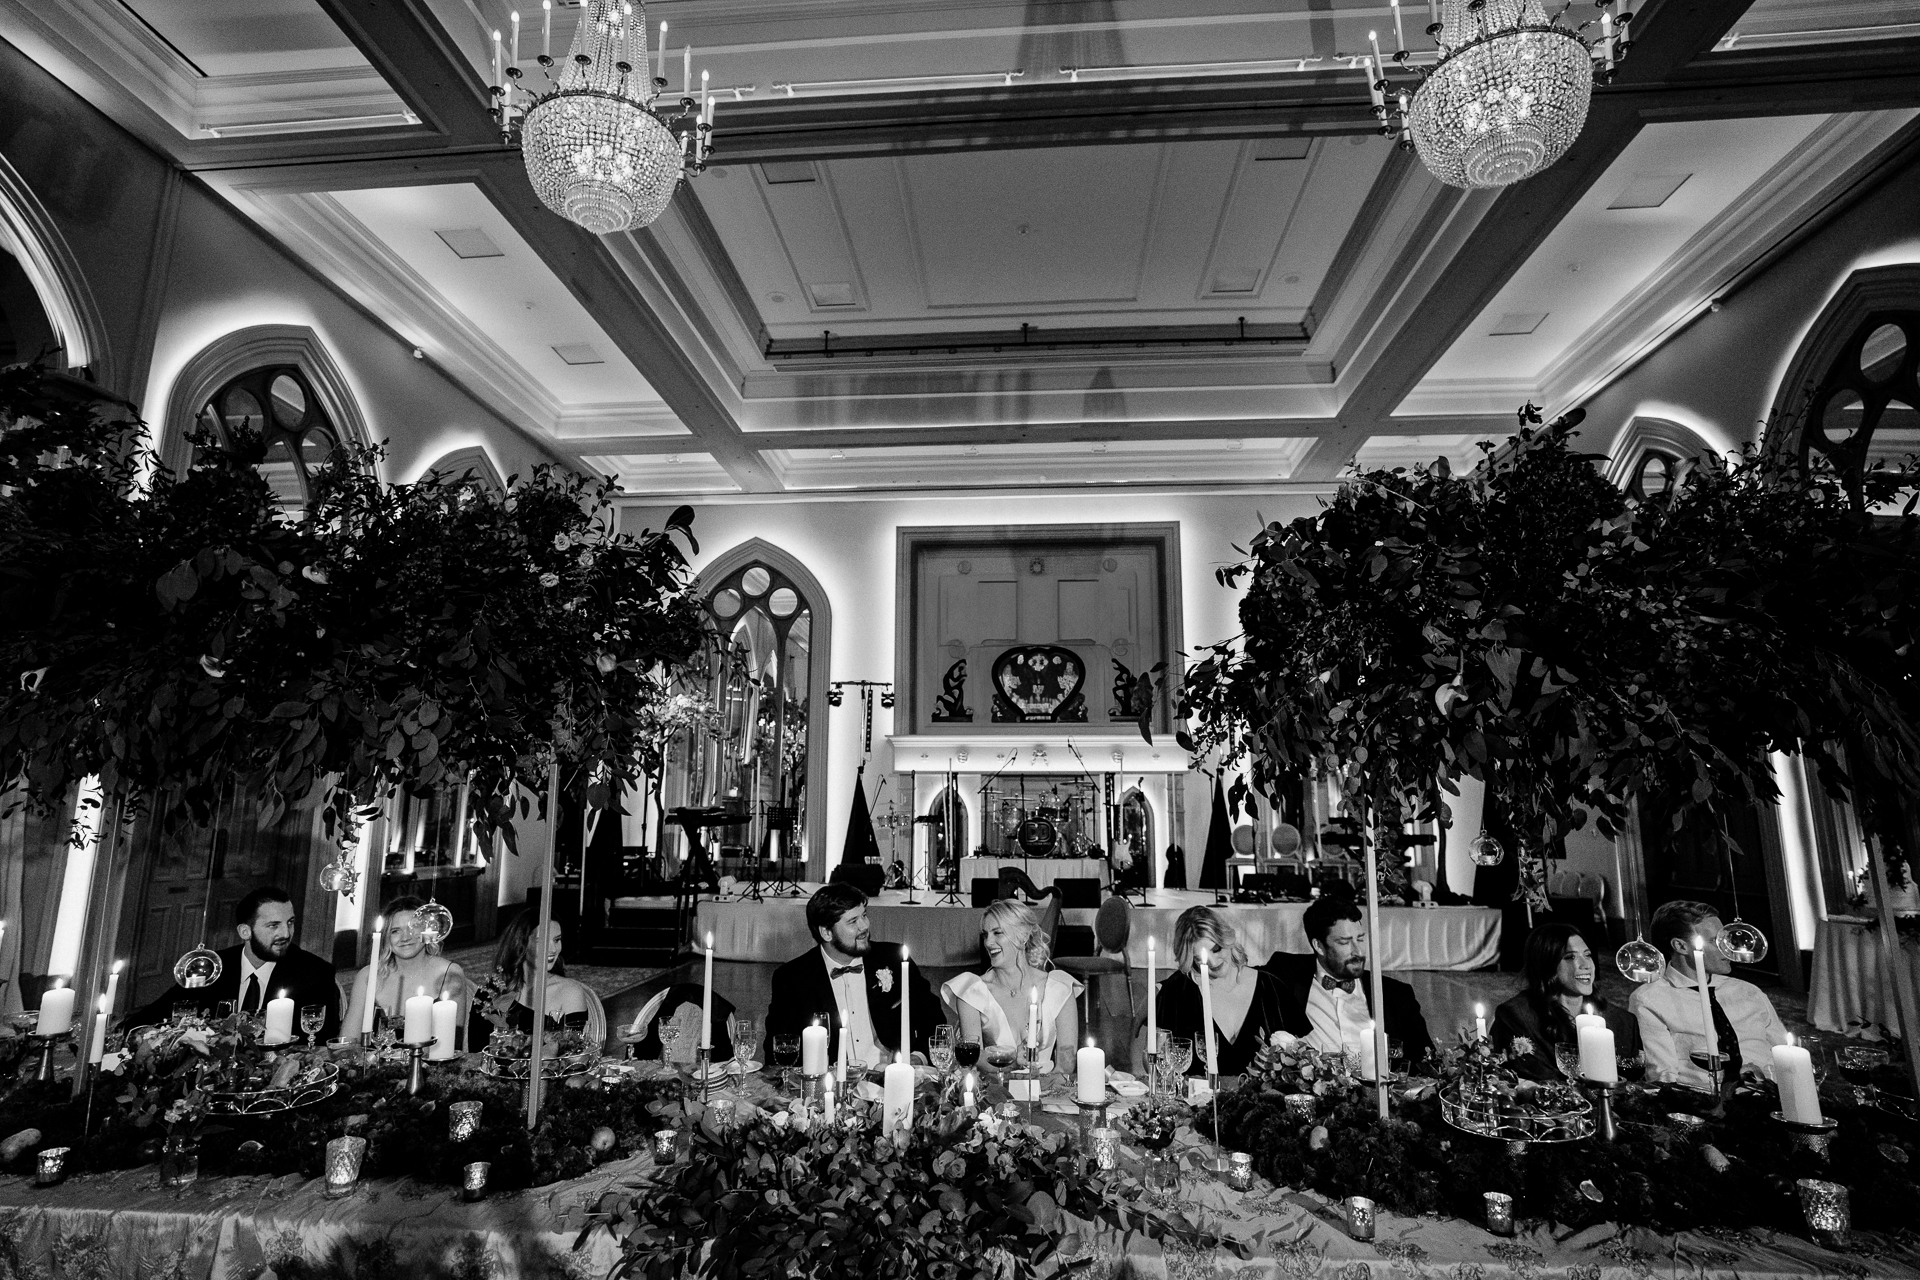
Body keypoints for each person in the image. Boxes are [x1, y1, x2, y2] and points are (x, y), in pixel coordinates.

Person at [762, 881, 938, 1070]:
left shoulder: (895, 960)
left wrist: (917, 1057)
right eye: (853, 921)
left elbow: (933, 1020)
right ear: (826, 932)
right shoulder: (792, 979)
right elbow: (777, 1049)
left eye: (864, 915)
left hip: (892, 1079)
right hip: (832, 1087)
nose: (864, 926)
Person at [125, 886, 340, 1040]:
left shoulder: (315, 974)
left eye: (290, 923)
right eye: (273, 925)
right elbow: (154, 1017)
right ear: (245, 931)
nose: (286, 933)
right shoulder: (211, 968)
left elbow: (322, 1043)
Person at [1262, 888, 1436, 1070]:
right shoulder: (1285, 975)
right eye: (1344, 942)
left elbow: (1426, 1061)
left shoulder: (1395, 994)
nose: (1358, 951)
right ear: (1319, 946)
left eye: (1360, 939)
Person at [1630, 899, 1789, 1089]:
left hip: (1770, 1096)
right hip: (1702, 1101)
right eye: (1715, 941)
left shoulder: (1749, 992)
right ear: (1681, 947)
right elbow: (1662, 1074)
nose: (1727, 948)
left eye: (1726, 939)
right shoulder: (1650, 1000)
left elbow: (1786, 1055)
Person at [1142, 906, 1293, 1077]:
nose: (1213, 963)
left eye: (1216, 949)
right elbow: (1153, 1059)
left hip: (1262, 1101)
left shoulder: (1270, 987)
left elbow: (1299, 1057)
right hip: (1196, 1100)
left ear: (1228, 940)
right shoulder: (1177, 991)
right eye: (1200, 958)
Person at [940, 899, 1082, 1075]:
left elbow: (1065, 1065)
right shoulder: (972, 991)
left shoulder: (1059, 989)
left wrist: (1042, 1092)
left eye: (997, 933)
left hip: (1047, 1089)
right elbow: (974, 1058)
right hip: (996, 1092)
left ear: (1023, 936)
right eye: (985, 935)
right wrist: (1013, 1063)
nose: (988, 943)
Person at [1492, 923, 1640, 1081]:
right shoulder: (1518, 1016)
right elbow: (1535, 1081)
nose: (1586, 965)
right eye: (1571, 957)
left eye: (1588, 955)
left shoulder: (1623, 1021)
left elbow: (1634, 1081)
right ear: (1547, 964)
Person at [341, 895, 470, 1046]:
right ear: (385, 937)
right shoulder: (368, 976)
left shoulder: (448, 973)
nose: (405, 938)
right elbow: (348, 1041)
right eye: (395, 931)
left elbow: (452, 1045)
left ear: (427, 931)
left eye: (413, 928)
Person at [469, 913, 606, 1052]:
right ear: (521, 944)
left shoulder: (570, 992)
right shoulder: (489, 993)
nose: (553, 949)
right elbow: (476, 1055)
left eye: (557, 940)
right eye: (543, 941)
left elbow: (571, 1057)